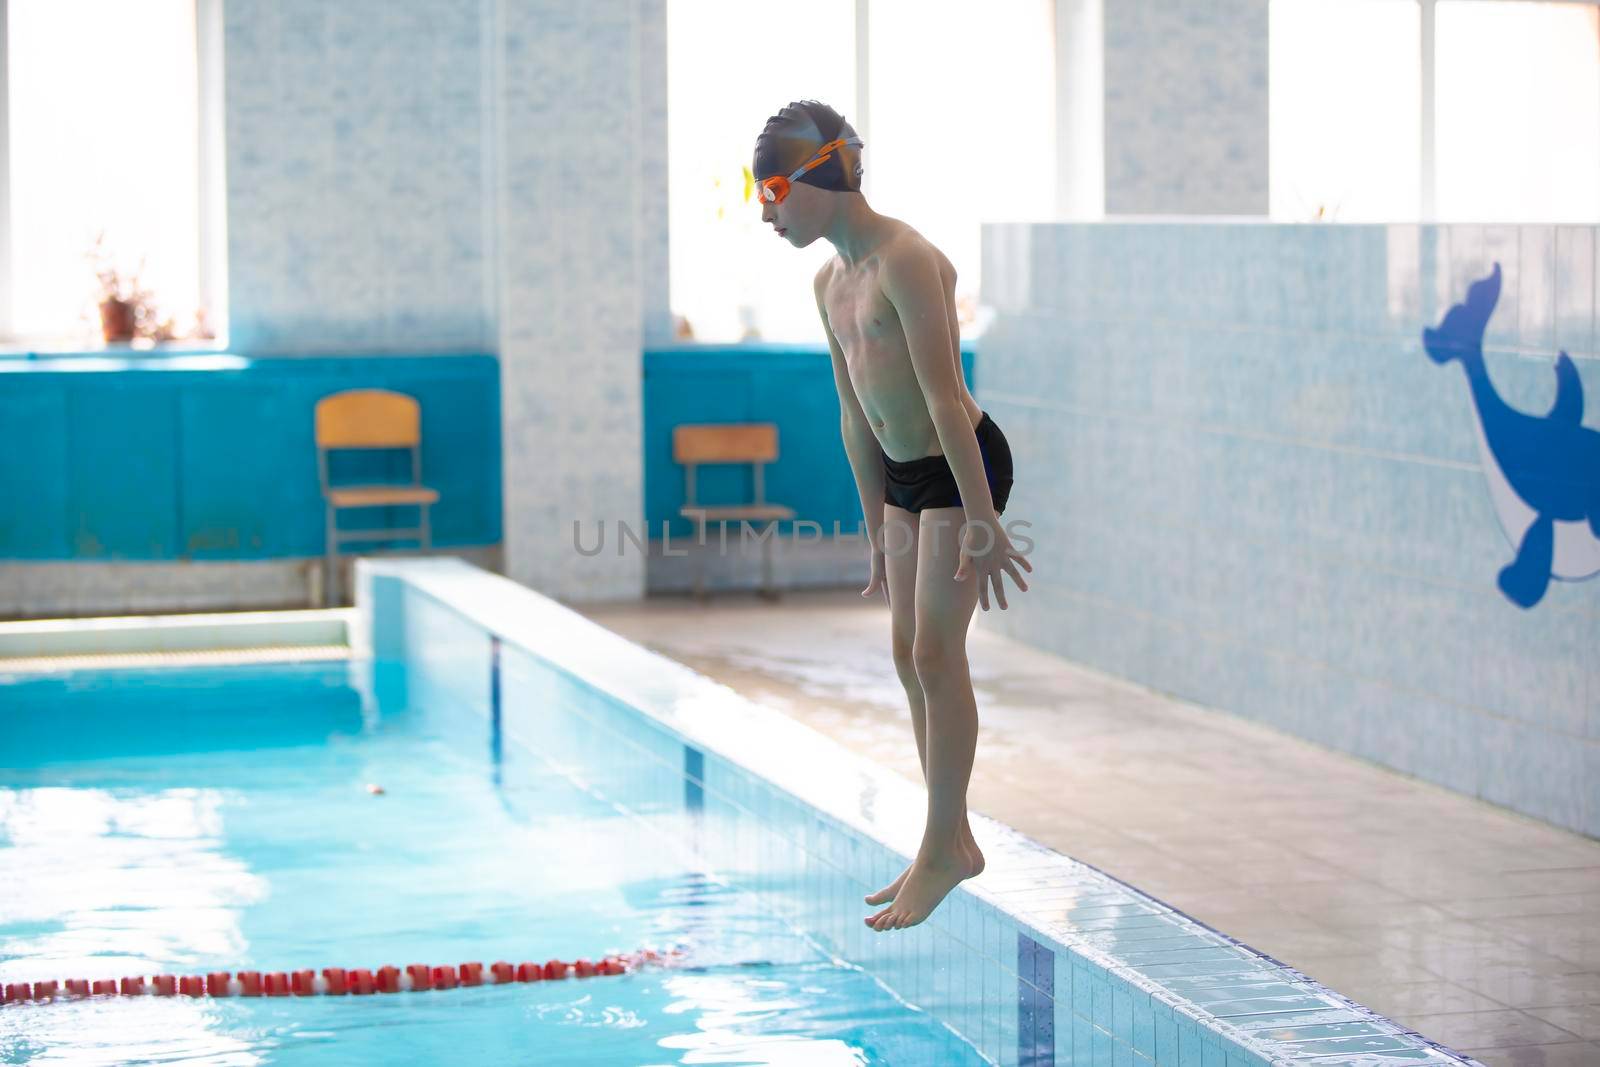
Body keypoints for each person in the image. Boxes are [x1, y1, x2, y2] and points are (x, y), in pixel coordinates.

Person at [751, 100, 1032, 931]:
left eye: (772, 188)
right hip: (906, 476)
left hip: (961, 463)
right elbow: (853, 411)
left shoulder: (910, 259)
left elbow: (946, 401)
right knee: (907, 655)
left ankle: (944, 844)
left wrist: (982, 518)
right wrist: (876, 525)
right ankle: (950, 838)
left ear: (822, 174)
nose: (764, 210)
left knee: (937, 650)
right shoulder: (828, 281)